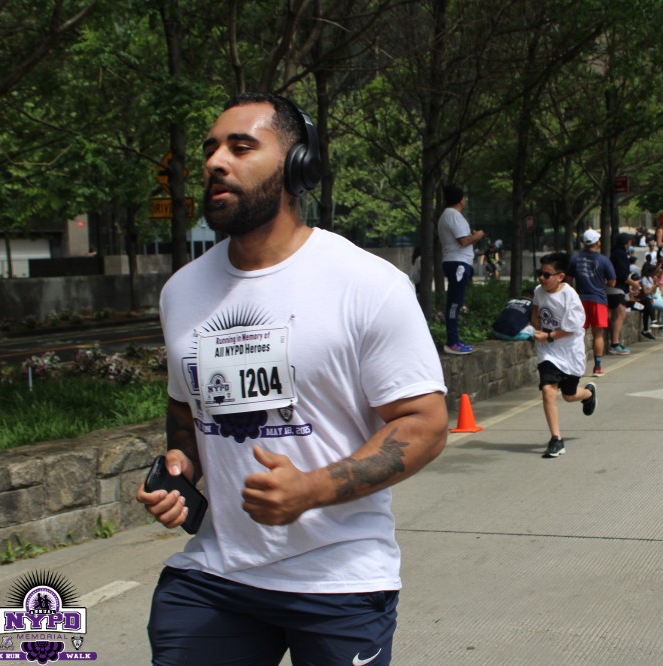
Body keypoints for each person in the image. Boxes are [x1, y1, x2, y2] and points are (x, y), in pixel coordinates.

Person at [136, 92, 449, 666]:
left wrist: (312, 489)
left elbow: (425, 424)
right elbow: (184, 408)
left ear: (297, 168)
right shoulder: (182, 290)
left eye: (241, 147)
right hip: (217, 574)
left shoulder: (366, 283)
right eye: (210, 150)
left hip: (339, 578)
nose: (214, 163)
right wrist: (182, 465)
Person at [531, 252, 597, 458]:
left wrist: (549, 336)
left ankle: (588, 394)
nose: (542, 278)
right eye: (539, 273)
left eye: (546, 275)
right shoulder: (539, 291)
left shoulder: (570, 296)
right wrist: (534, 328)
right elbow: (535, 312)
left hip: (569, 351)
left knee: (569, 395)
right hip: (548, 352)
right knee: (548, 390)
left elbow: (573, 327)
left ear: (560, 276)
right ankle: (556, 439)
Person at [438, 184, 485, 354]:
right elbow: (463, 241)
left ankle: (454, 340)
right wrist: (478, 235)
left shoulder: (448, 215)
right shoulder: (453, 215)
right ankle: (452, 342)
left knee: (455, 302)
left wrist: (473, 238)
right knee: (454, 303)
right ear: (460, 199)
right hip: (458, 263)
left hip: (456, 262)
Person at [567, 229, 616, 376]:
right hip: (598, 300)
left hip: (580, 300)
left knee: (578, 334)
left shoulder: (575, 258)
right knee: (598, 334)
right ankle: (597, 367)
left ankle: (575, 366)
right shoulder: (603, 260)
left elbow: (568, 279)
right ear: (597, 242)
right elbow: (612, 282)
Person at [607, 233, 635, 355]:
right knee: (621, 314)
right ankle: (615, 343)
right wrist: (635, 284)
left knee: (614, 316)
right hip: (617, 289)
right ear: (627, 242)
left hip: (610, 289)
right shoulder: (621, 254)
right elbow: (623, 275)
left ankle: (614, 342)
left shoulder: (614, 253)